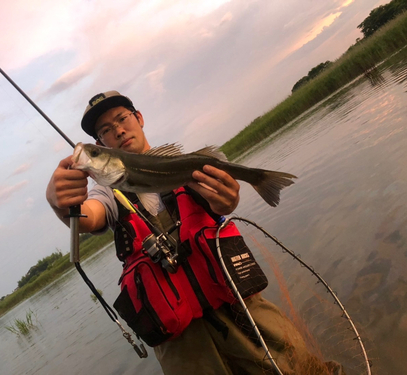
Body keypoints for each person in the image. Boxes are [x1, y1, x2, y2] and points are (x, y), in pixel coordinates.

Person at [46, 91, 341, 375]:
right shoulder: (108, 191)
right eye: (106, 131)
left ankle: (262, 179)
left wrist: (228, 200)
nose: (119, 131)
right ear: (103, 143)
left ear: (139, 117)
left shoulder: (183, 164)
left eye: (122, 119)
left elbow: (222, 202)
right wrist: (61, 204)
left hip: (242, 311)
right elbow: (88, 216)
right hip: (185, 346)